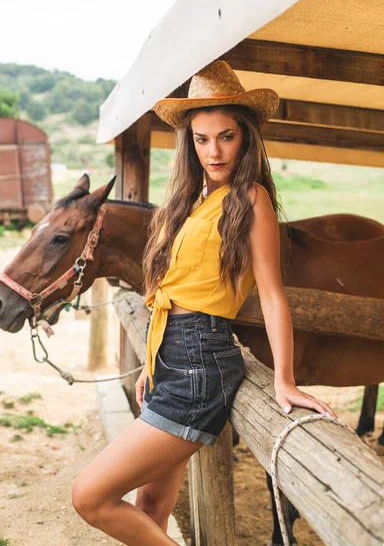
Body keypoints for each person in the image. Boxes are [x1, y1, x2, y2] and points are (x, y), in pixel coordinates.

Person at [72, 60, 338, 545]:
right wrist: (153, 366)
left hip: (199, 365)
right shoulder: (193, 200)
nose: (213, 150)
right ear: (189, 143)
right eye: (201, 139)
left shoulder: (249, 198)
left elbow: (274, 294)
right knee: (151, 505)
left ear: (246, 137)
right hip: (171, 360)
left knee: (89, 497)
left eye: (226, 136)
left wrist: (285, 380)